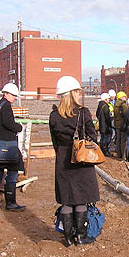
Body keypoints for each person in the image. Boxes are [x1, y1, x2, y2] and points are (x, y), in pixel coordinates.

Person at [49, 76, 99, 247]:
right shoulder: (83, 112)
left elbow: (54, 142)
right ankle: (81, 237)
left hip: (63, 160)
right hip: (81, 160)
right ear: (71, 93)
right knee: (81, 199)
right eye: (77, 91)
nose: (79, 93)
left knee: (67, 199)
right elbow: (93, 137)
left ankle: (68, 238)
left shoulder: (53, 116)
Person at [0, 83, 26, 212]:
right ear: (6, 94)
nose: (15, 97)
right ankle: (10, 202)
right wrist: (19, 127)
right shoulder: (6, 107)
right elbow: (8, 123)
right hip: (8, 147)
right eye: (13, 95)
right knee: (13, 172)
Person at [114, 91, 128, 159]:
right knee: (123, 140)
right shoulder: (123, 105)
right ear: (122, 97)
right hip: (122, 125)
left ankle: (118, 154)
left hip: (117, 124)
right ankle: (124, 155)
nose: (125, 98)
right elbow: (126, 115)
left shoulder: (115, 104)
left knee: (118, 139)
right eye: (124, 96)